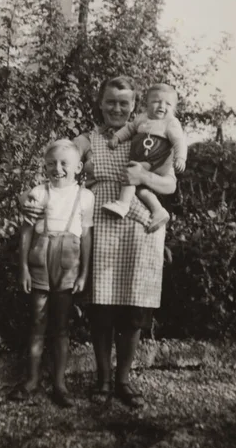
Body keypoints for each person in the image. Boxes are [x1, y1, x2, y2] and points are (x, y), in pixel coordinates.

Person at [73, 76, 177, 408]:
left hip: (140, 232)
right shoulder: (87, 139)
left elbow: (170, 185)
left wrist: (144, 177)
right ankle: (103, 379)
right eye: (110, 102)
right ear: (100, 104)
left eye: (124, 102)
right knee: (101, 311)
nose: (117, 108)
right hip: (101, 227)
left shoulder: (153, 136)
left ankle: (123, 381)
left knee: (134, 314)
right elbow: (61, 160)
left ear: (134, 106)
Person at [10, 139, 94, 408]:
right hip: (40, 260)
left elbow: (86, 237)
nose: (57, 169)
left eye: (63, 164)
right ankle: (31, 380)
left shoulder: (85, 196)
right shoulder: (38, 192)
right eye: (51, 164)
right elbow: (25, 232)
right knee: (37, 321)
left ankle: (59, 383)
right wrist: (23, 267)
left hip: (68, 261)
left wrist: (83, 274)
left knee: (61, 325)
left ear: (78, 167)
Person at [102, 83, 187, 232]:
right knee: (140, 189)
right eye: (156, 101)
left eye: (168, 103)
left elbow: (179, 141)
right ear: (146, 104)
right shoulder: (141, 118)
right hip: (145, 159)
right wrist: (116, 138)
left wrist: (180, 158)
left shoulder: (170, 123)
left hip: (157, 159)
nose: (162, 106)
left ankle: (123, 204)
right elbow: (128, 129)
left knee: (132, 171)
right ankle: (158, 210)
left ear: (174, 108)